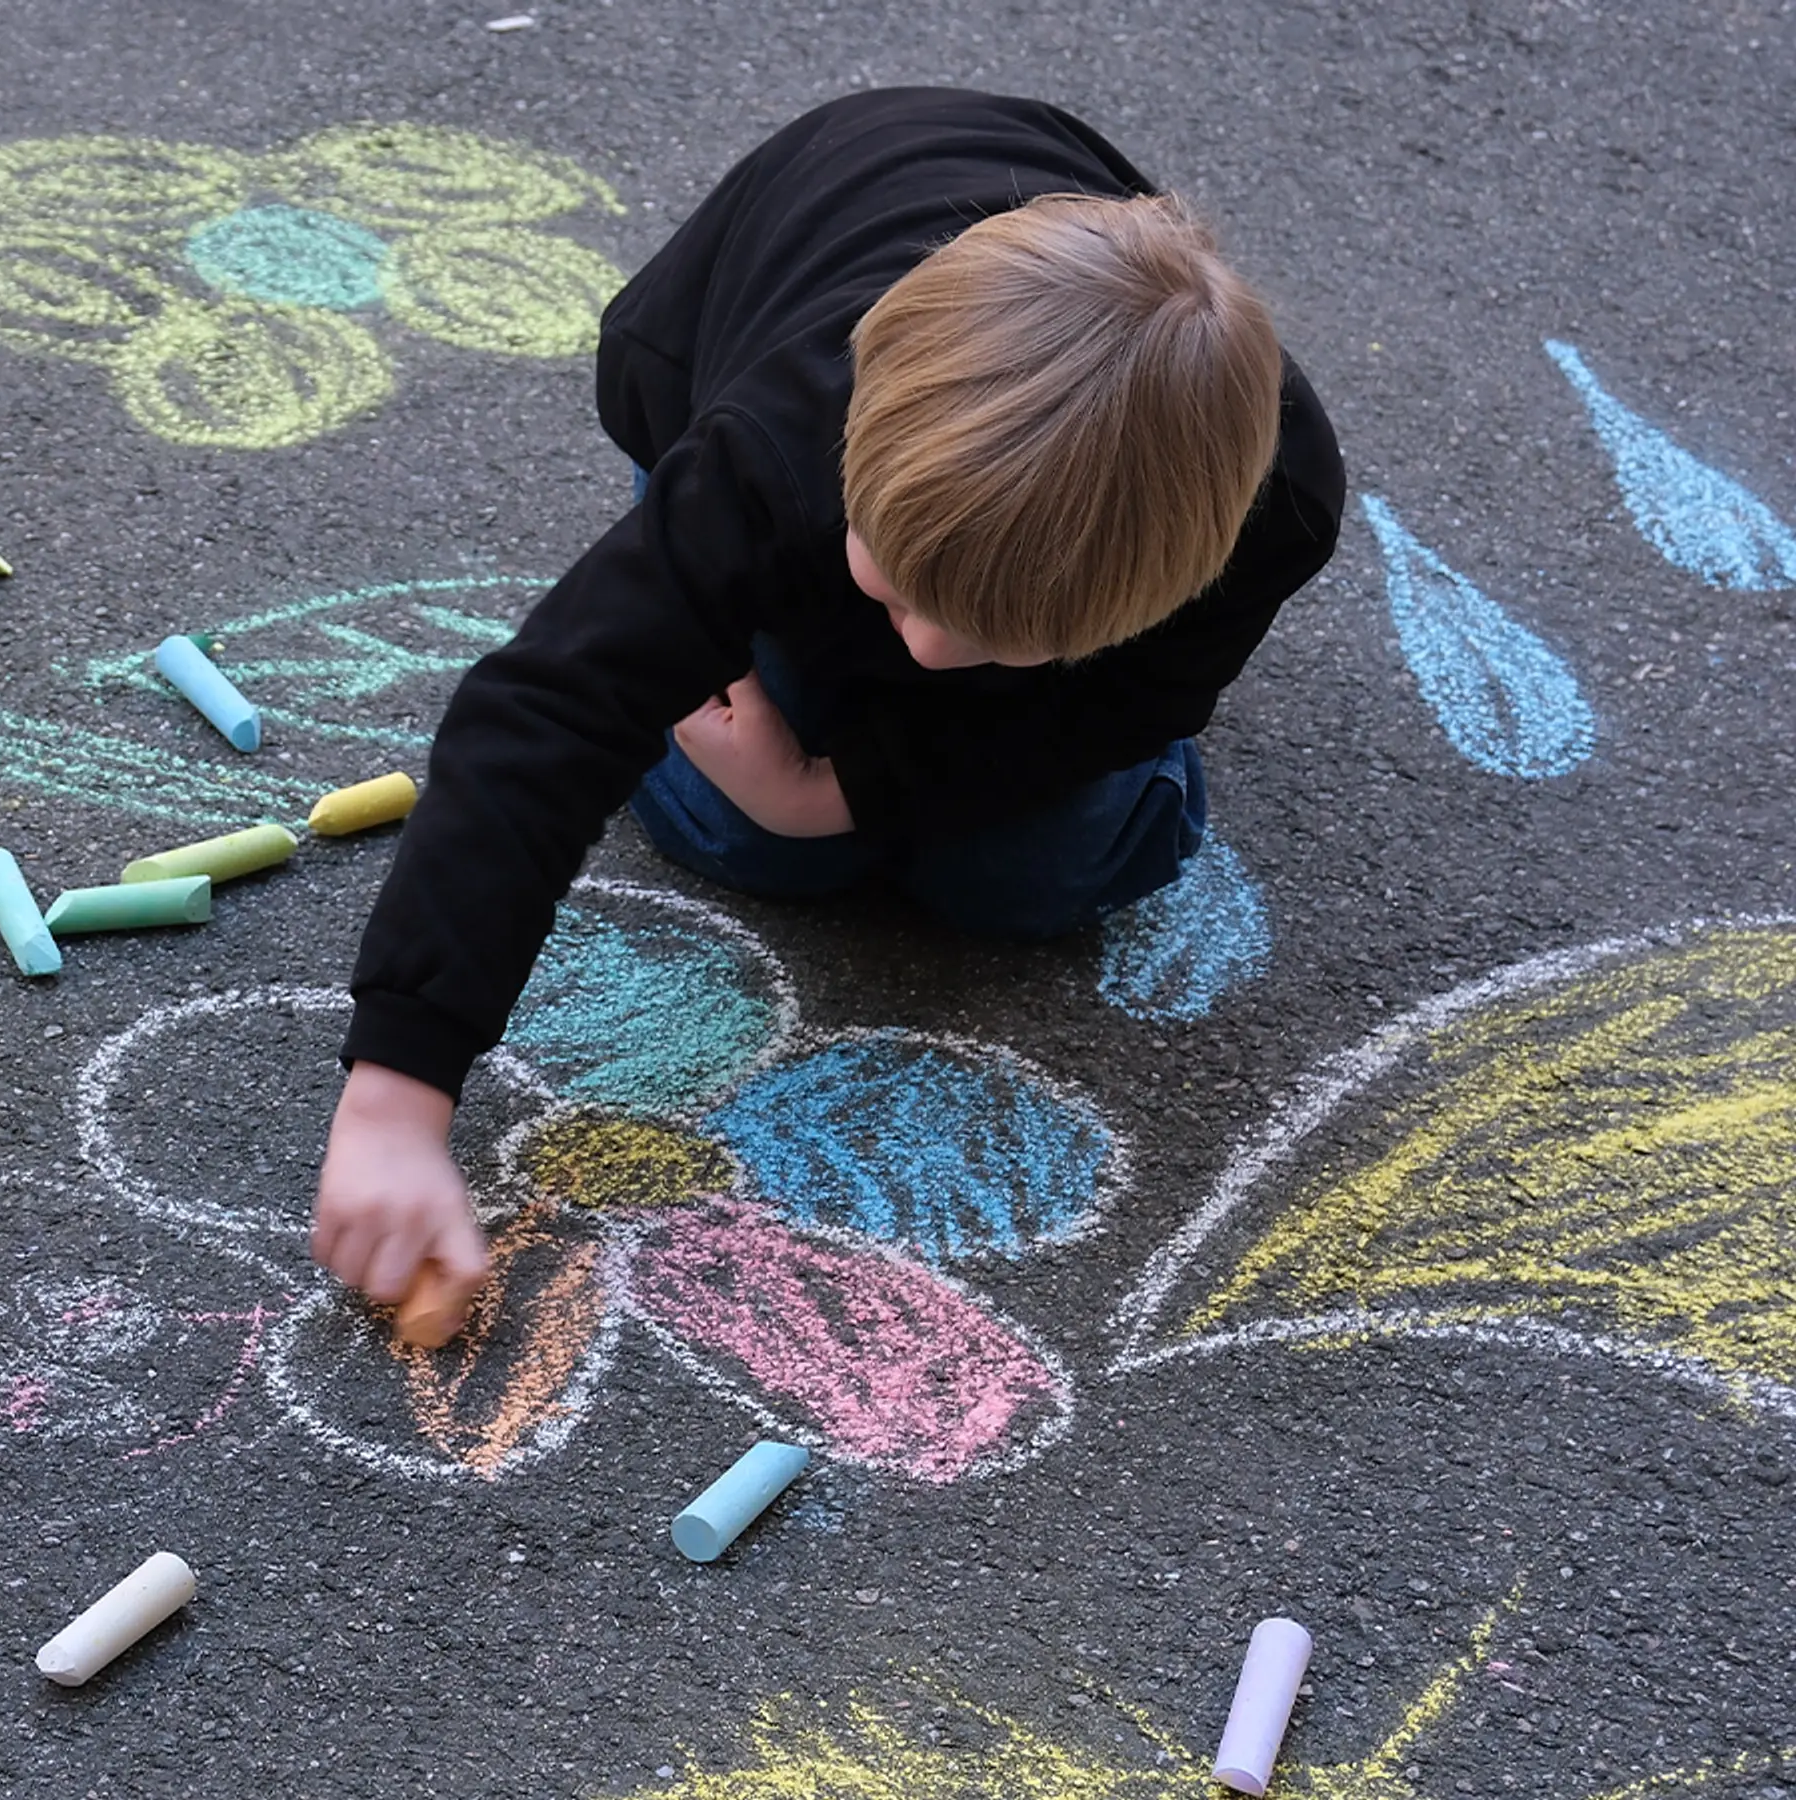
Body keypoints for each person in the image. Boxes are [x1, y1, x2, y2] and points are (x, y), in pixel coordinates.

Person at [311, 88, 1345, 1327]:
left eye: (993, 636)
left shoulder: (1276, 511)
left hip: (964, 491)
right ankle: (693, 600)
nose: (920, 647)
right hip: (743, 340)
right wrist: (397, 1094)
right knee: (745, 836)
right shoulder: (775, 449)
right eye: (902, 594)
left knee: (1029, 878)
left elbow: (1122, 703)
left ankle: (884, 640)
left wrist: (838, 788)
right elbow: (547, 714)